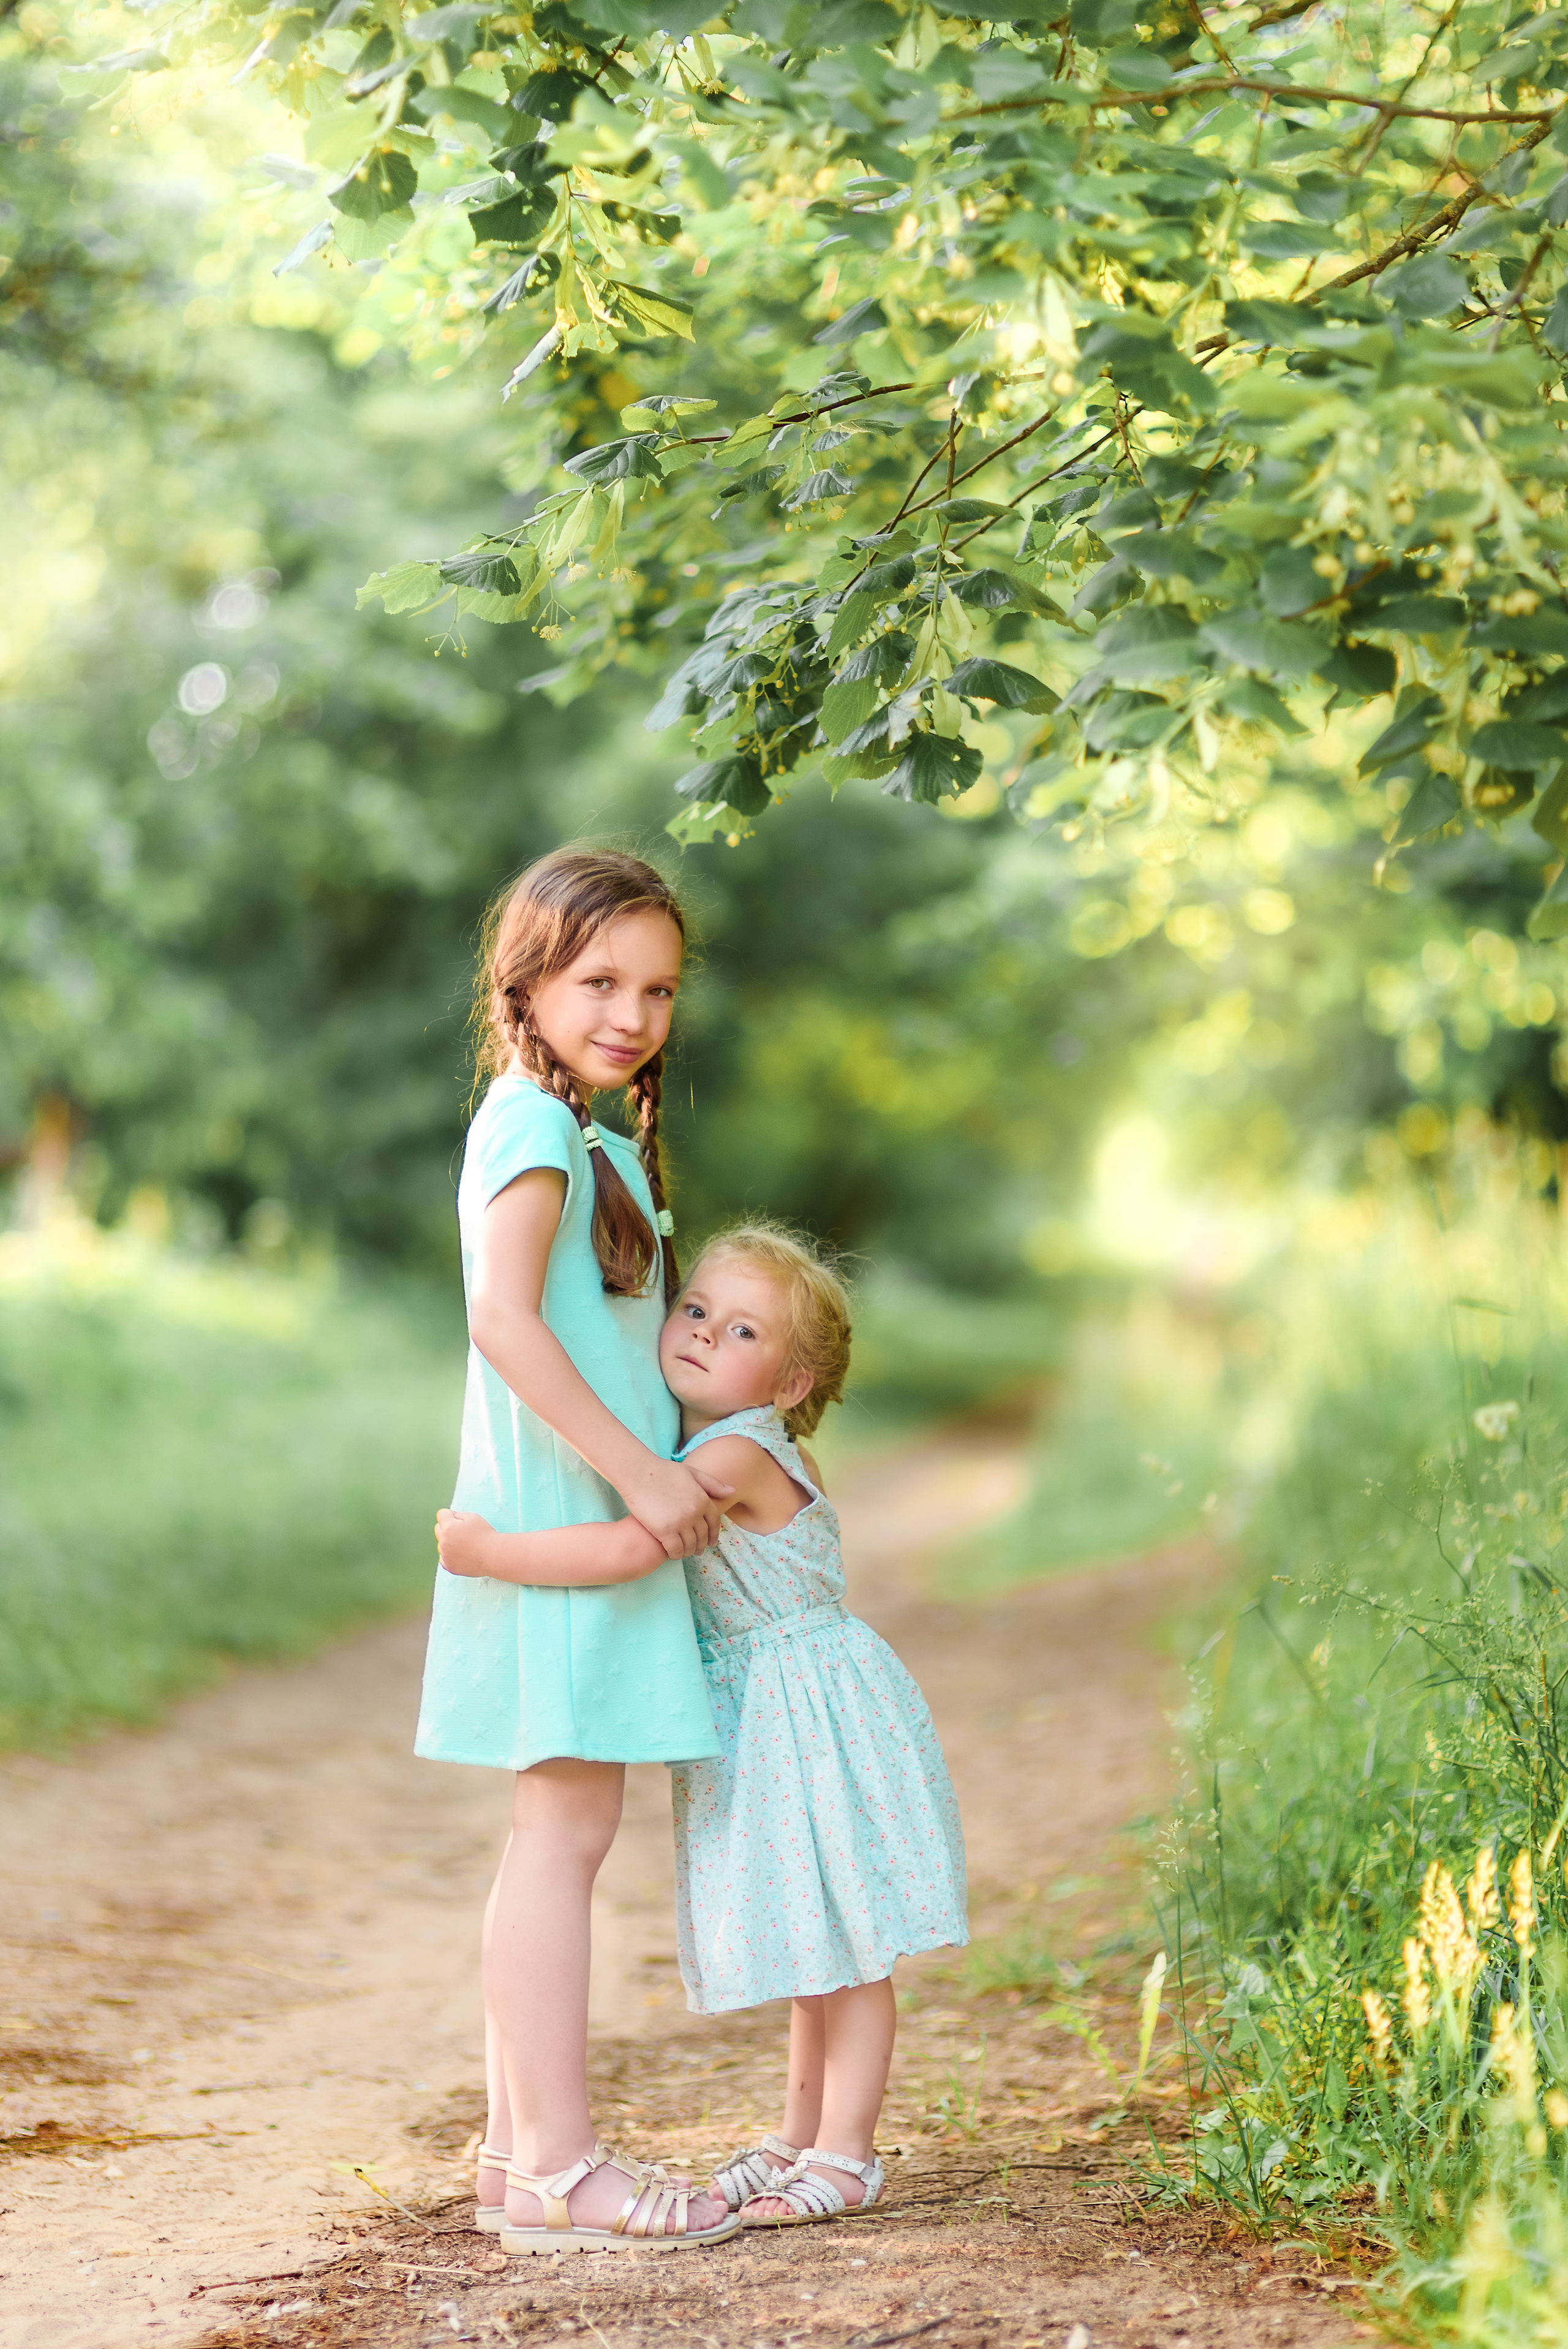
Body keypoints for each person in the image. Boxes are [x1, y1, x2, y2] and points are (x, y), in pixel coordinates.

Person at [439, 1224, 969, 2235]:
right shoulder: (713, 1438)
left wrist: (489, 1550)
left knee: (853, 1948)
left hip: (811, 1711)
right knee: (817, 1939)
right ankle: (797, 2137)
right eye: (695, 1311)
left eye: (739, 1330)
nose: (698, 1335)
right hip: (782, 1710)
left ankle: (849, 2154)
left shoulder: (728, 1453)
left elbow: (627, 1547)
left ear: (788, 1379)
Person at [415, 847, 739, 2256]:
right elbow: (502, 1321)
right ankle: (558, 2166)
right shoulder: (533, 1128)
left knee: (560, 1830)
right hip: (568, 1518)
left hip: (585, 1514)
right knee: (564, 1833)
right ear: (528, 980)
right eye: (599, 980)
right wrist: (639, 1481)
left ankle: (513, 2153)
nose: (630, 1011)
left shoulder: (583, 1135)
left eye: (656, 987)